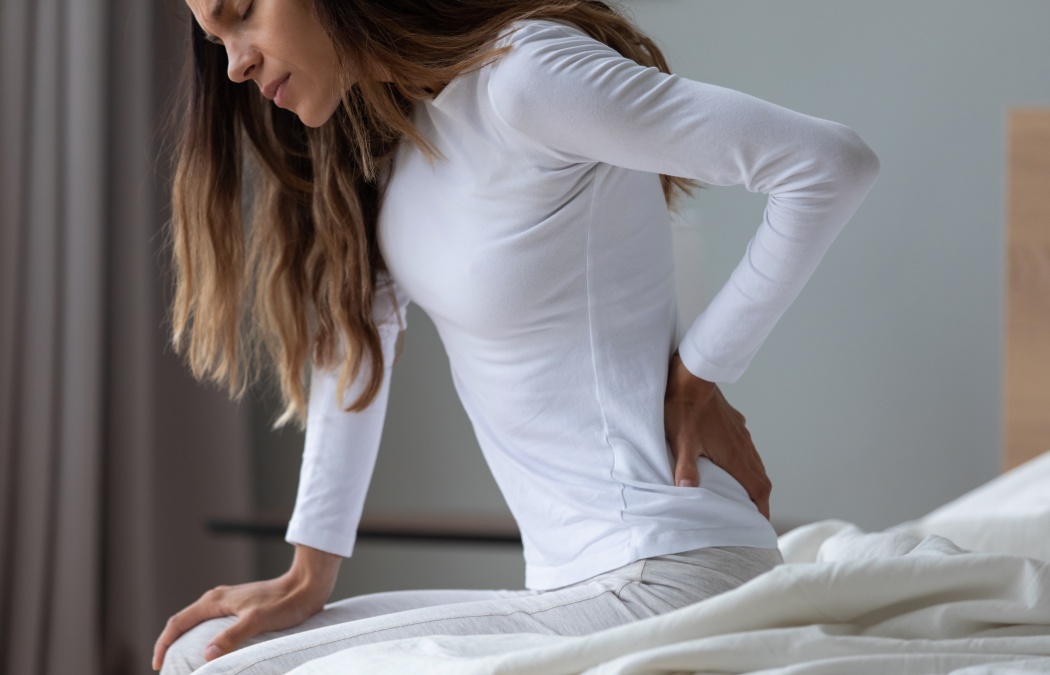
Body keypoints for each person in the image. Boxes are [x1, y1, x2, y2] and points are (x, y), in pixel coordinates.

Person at [152, 0, 879, 672]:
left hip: (670, 573)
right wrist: (310, 572)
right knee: (201, 647)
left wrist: (701, 370)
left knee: (207, 664)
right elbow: (356, 344)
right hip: (579, 587)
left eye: (242, 14)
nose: (235, 63)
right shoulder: (405, 126)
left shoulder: (524, 78)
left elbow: (829, 163)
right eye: (216, 42)